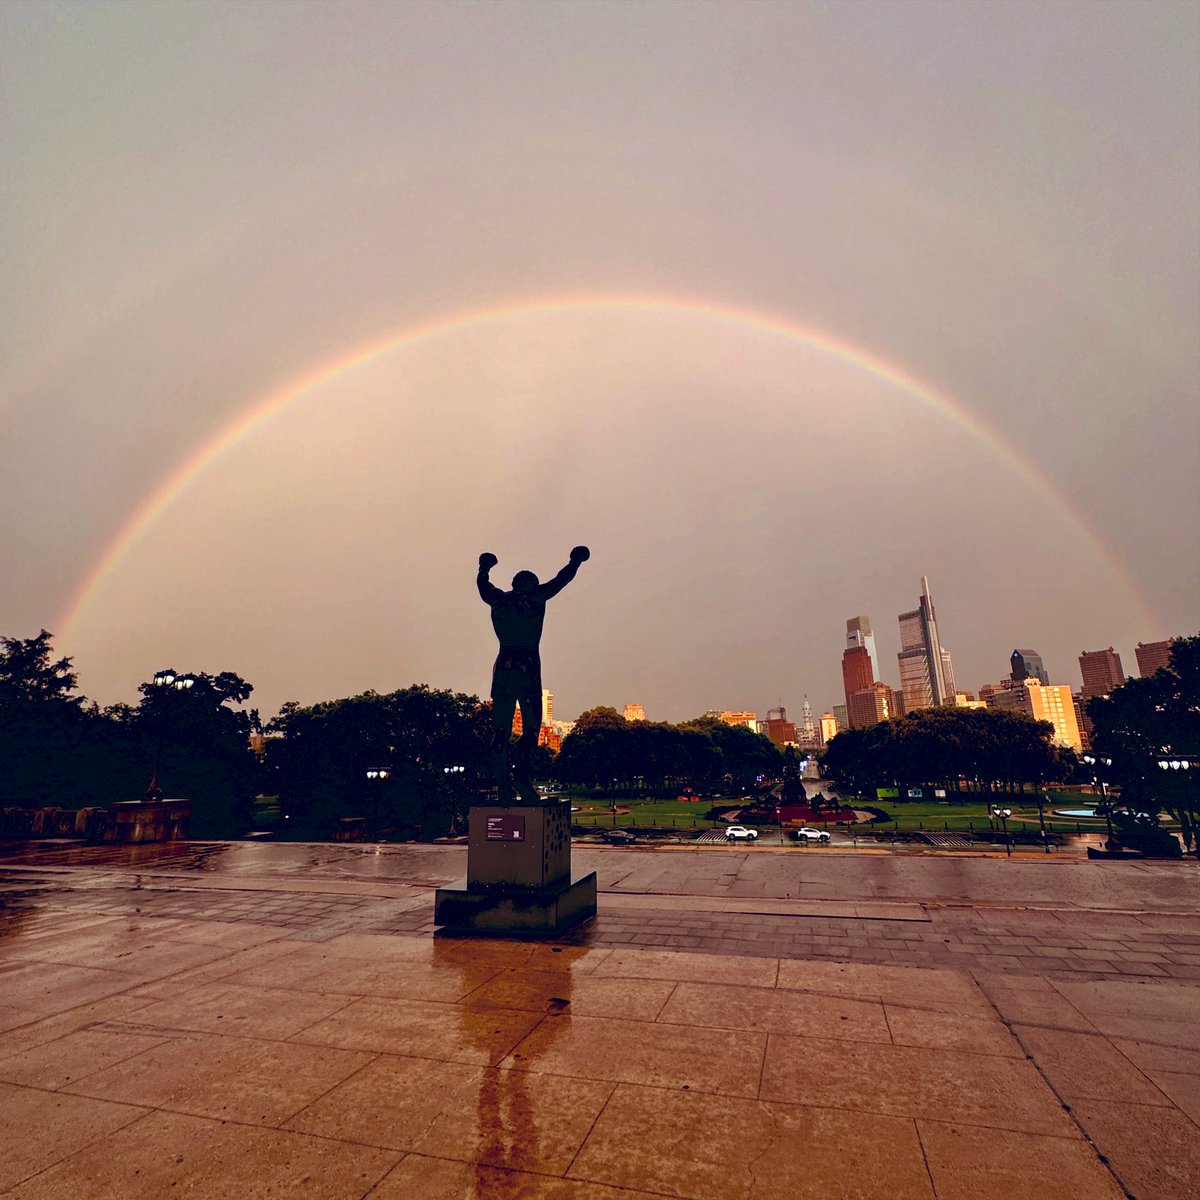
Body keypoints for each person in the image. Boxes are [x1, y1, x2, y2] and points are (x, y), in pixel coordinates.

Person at [477, 546, 590, 803]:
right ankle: (521, 779)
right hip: (527, 667)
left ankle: (504, 787)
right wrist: (576, 560)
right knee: (530, 729)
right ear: (532, 585)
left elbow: (483, 586)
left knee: (500, 730)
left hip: (503, 667)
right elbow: (561, 580)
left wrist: (484, 566)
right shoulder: (536, 599)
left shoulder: (499, 600)